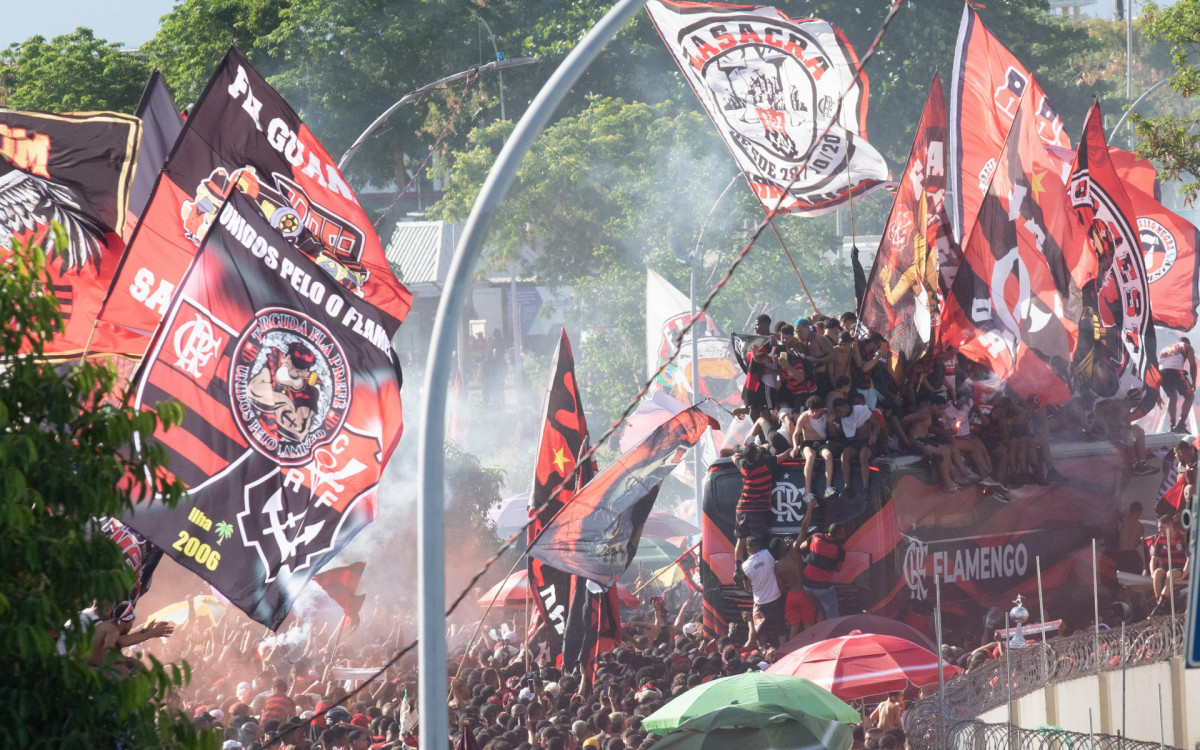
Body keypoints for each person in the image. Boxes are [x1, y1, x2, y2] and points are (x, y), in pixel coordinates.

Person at [88, 601, 174, 674]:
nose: (131, 627)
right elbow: (109, 655)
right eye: (131, 624)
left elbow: (123, 639)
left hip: (93, 665)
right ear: (126, 623)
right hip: (91, 668)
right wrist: (152, 633)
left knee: (134, 663)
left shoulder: (111, 626)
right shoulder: (112, 630)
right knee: (125, 670)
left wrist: (146, 631)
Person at [773, 502, 817, 640]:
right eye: (782, 542)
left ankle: (793, 650)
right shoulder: (795, 552)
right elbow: (804, 529)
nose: (785, 542)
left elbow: (782, 589)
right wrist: (810, 508)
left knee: (794, 628)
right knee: (809, 627)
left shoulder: (777, 567)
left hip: (791, 596)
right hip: (805, 593)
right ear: (782, 547)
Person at [732, 444, 777, 565]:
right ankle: (755, 567)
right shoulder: (766, 464)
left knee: (741, 541)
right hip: (757, 511)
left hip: (742, 509)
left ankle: (738, 569)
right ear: (757, 454)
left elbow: (734, 456)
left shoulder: (744, 466)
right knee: (756, 542)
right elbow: (784, 455)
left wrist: (743, 452)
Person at [787, 395, 837, 503]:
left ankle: (828, 488)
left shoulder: (826, 413)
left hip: (821, 443)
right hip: (807, 444)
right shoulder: (804, 417)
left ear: (821, 409)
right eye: (812, 410)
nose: (814, 413)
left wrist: (831, 421)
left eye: (817, 410)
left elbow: (834, 420)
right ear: (809, 408)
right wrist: (795, 447)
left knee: (828, 455)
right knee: (810, 457)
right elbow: (796, 434)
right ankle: (807, 492)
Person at [741, 536, 786, 649]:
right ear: (759, 546)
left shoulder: (744, 566)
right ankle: (783, 648)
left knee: (760, 630)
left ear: (747, 549)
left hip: (760, 603)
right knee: (780, 626)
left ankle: (763, 650)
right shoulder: (768, 554)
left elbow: (747, 588)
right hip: (776, 598)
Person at [829, 397, 876, 499]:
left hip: (867, 442)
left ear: (846, 406)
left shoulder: (861, 410)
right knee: (844, 455)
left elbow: (876, 424)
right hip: (854, 443)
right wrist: (835, 428)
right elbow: (846, 432)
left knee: (863, 456)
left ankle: (865, 489)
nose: (839, 414)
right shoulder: (841, 418)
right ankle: (847, 486)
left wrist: (874, 436)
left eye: (839, 411)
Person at [799, 523, 847, 621]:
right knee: (832, 615)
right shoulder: (839, 549)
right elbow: (838, 569)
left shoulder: (815, 537)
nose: (844, 535)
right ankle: (832, 630)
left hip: (807, 586)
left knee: (820, 609)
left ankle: (820, 629)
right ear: (837, 535)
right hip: (823, 588)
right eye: (842, 534)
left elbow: (801, 547)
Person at [1149, 514, 1189, 615]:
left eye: (1162, 527)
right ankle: (1160, 603)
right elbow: (1153, 559)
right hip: (1166, 567)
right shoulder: (1160, 539)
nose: (1159, 530)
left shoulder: (1183, 538)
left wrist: (1183, 575)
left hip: (1180, 568)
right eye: (1159, 527)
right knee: (1157, 573)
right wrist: (1152, 573)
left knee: (1170, 573)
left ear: (1170, 526)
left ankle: (1160, 606)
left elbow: (1190, 560)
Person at [1159, 338, 1196, 433]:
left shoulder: (1165, 349)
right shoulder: (1186, 346)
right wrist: (1194, 382)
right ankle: (1181, 424)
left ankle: (1172, 426)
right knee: (1190, 395)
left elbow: (1158, 366)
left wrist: (1157, 393)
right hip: (1175, 371)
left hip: (1162, 373)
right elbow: (1193, 365)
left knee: (1173, 397)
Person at [1116, 502, 1146, 575]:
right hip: (1133, 554)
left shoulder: (1124, 520)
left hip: (1123, 554)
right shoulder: (1140, 527)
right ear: (1139, 512)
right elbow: (1139, 541)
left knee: (1122, 577)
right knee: (1135, 576)